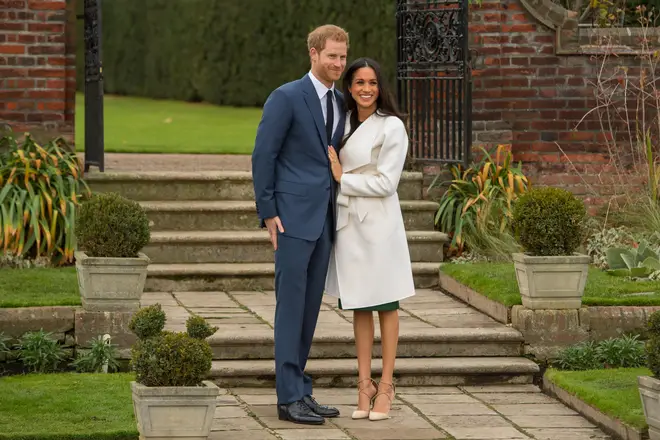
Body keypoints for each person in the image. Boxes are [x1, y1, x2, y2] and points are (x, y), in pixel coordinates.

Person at [251, 24, 349, 426]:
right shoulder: (287, 96)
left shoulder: (341, 101)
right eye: (332, 56)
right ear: (313, 53)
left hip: (325, 218)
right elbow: (264, 154)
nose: (338, 64)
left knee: (309, 309)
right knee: (291, 307)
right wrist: (268, 211)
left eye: (343, 57)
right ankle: (288, 397)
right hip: (290, 220)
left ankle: (301, 390)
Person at [325, 57, 416, 421]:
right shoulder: (343, 121)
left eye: (373, 83)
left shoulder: (391, 127)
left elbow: (386, 183)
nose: (366, 89)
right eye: (359, 82)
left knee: (386, 304)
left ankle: (387, 386)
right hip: (349, 226)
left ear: (381, 88)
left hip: (379, 227)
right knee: (359, 305)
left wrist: (343, 177)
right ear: (350, 87)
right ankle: (364, 385)